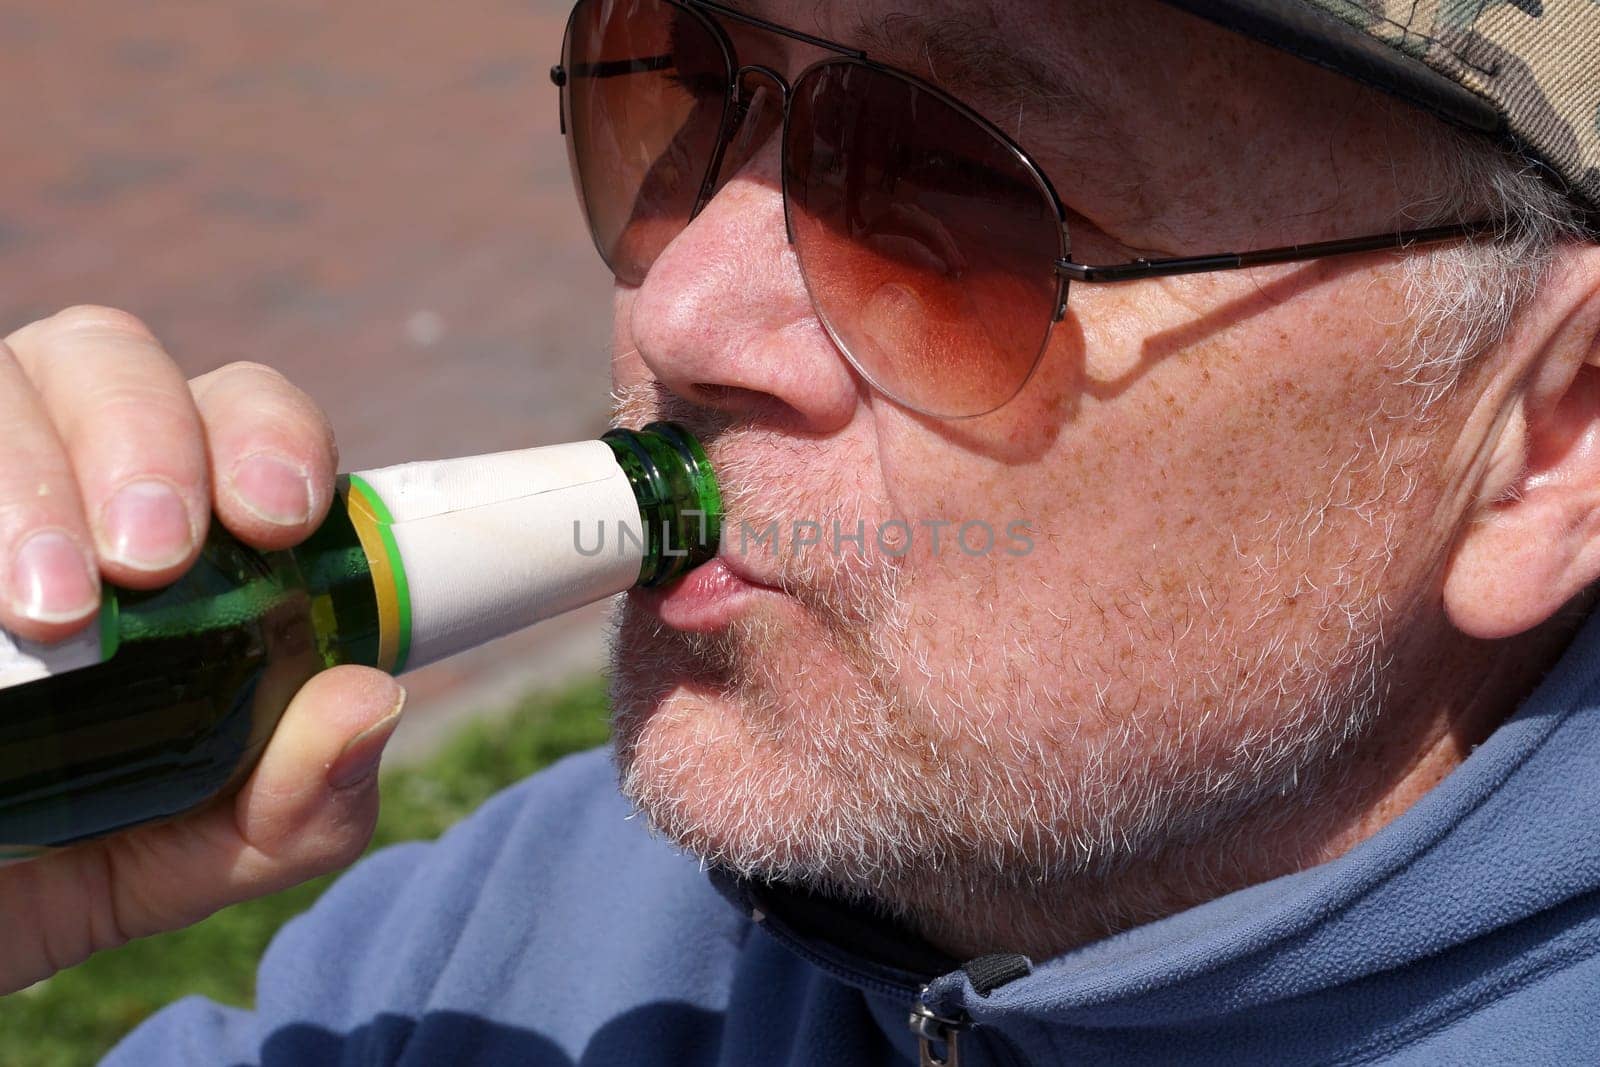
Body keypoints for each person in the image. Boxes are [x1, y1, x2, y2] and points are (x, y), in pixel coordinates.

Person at [1, 0, 1597, 1061]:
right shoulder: (522, 948)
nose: (679, 304)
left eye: (958, 190)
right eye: (686, 96)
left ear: (1553, 436)